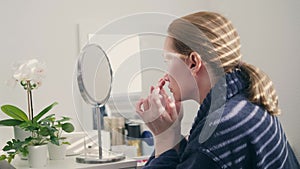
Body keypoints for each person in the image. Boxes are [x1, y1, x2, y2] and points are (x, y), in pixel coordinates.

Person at [136, 11, 300, 169]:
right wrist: (173, 134)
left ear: (193, 62)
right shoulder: (244, 103)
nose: (166, 75)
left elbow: (205, 156)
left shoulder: (219, 130)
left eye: (168, 61)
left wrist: (164, 138)